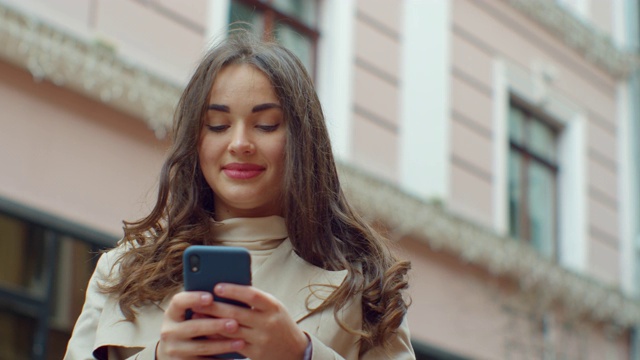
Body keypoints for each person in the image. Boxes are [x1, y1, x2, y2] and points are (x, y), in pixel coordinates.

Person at [64, 31, 415, 360]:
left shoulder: (364, 285)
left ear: (302, 141)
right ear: (195, 139)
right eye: (217, 125)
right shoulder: (124, 271)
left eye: (266, 125)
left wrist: (302, 354)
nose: (240, 144)